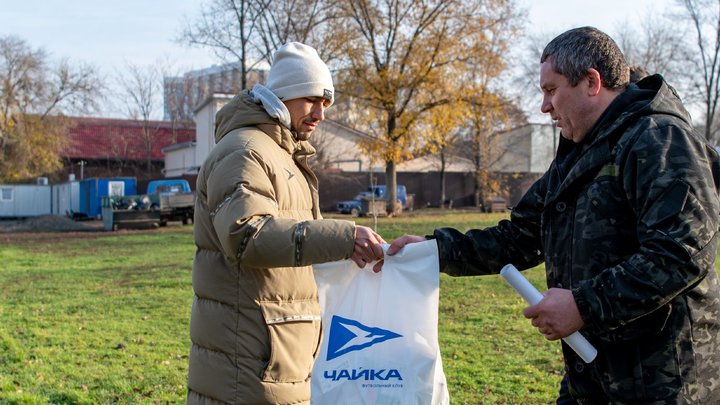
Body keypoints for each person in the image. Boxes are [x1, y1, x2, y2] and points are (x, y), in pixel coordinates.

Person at [378, 26, 720, 404]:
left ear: (592, 82)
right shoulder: (576, 153)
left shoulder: (660, 139)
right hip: (591, 375)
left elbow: (680, 253)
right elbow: (521, 236)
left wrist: (584, 305)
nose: (545, 107)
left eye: (551, 90)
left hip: (664, 383)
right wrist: (434, 250)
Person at [187, 42, 386, 404]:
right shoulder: (245, 151)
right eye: (311, 99)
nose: (320, 114)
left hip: (276, 357)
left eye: (326, 103)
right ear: (282, 96)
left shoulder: (283, 156)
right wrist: (344, 238)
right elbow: (247, 235)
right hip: (248, 368)